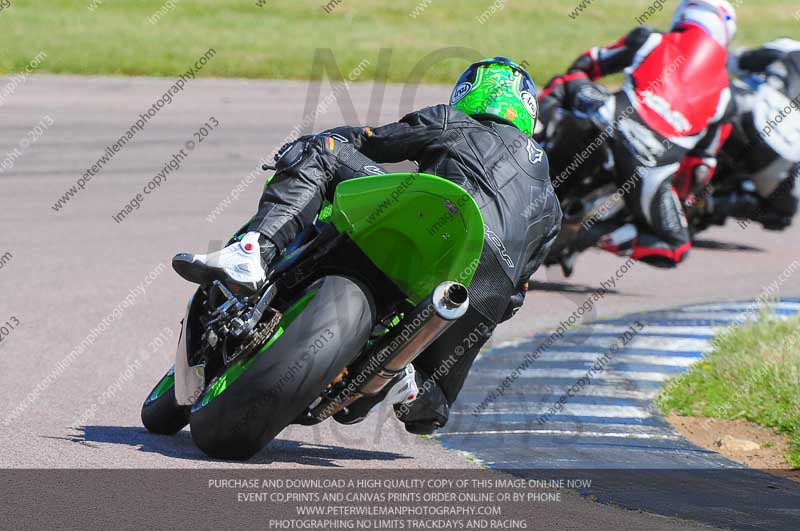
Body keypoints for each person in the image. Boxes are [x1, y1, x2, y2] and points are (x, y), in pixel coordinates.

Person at [172, 57, 562, 434]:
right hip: (481, 286)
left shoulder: (452, 120)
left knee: (324, 150)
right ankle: (407, 380)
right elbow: (514, 300)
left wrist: (311, 144)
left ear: (469, 92)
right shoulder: (550, 204)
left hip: (430, 217)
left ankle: (255, 250)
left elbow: (369, 141)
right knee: (433, 402)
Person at [539, 0, 737, 267]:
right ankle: (585, 236)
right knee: (675, 248)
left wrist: (580, 88)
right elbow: (700, 171)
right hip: (652, 170)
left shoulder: (650, 39)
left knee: (565, 82)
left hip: (609, 117)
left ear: (683, 15)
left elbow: (587, 63)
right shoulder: (726, 97)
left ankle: (519, 149)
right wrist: (678, 198)